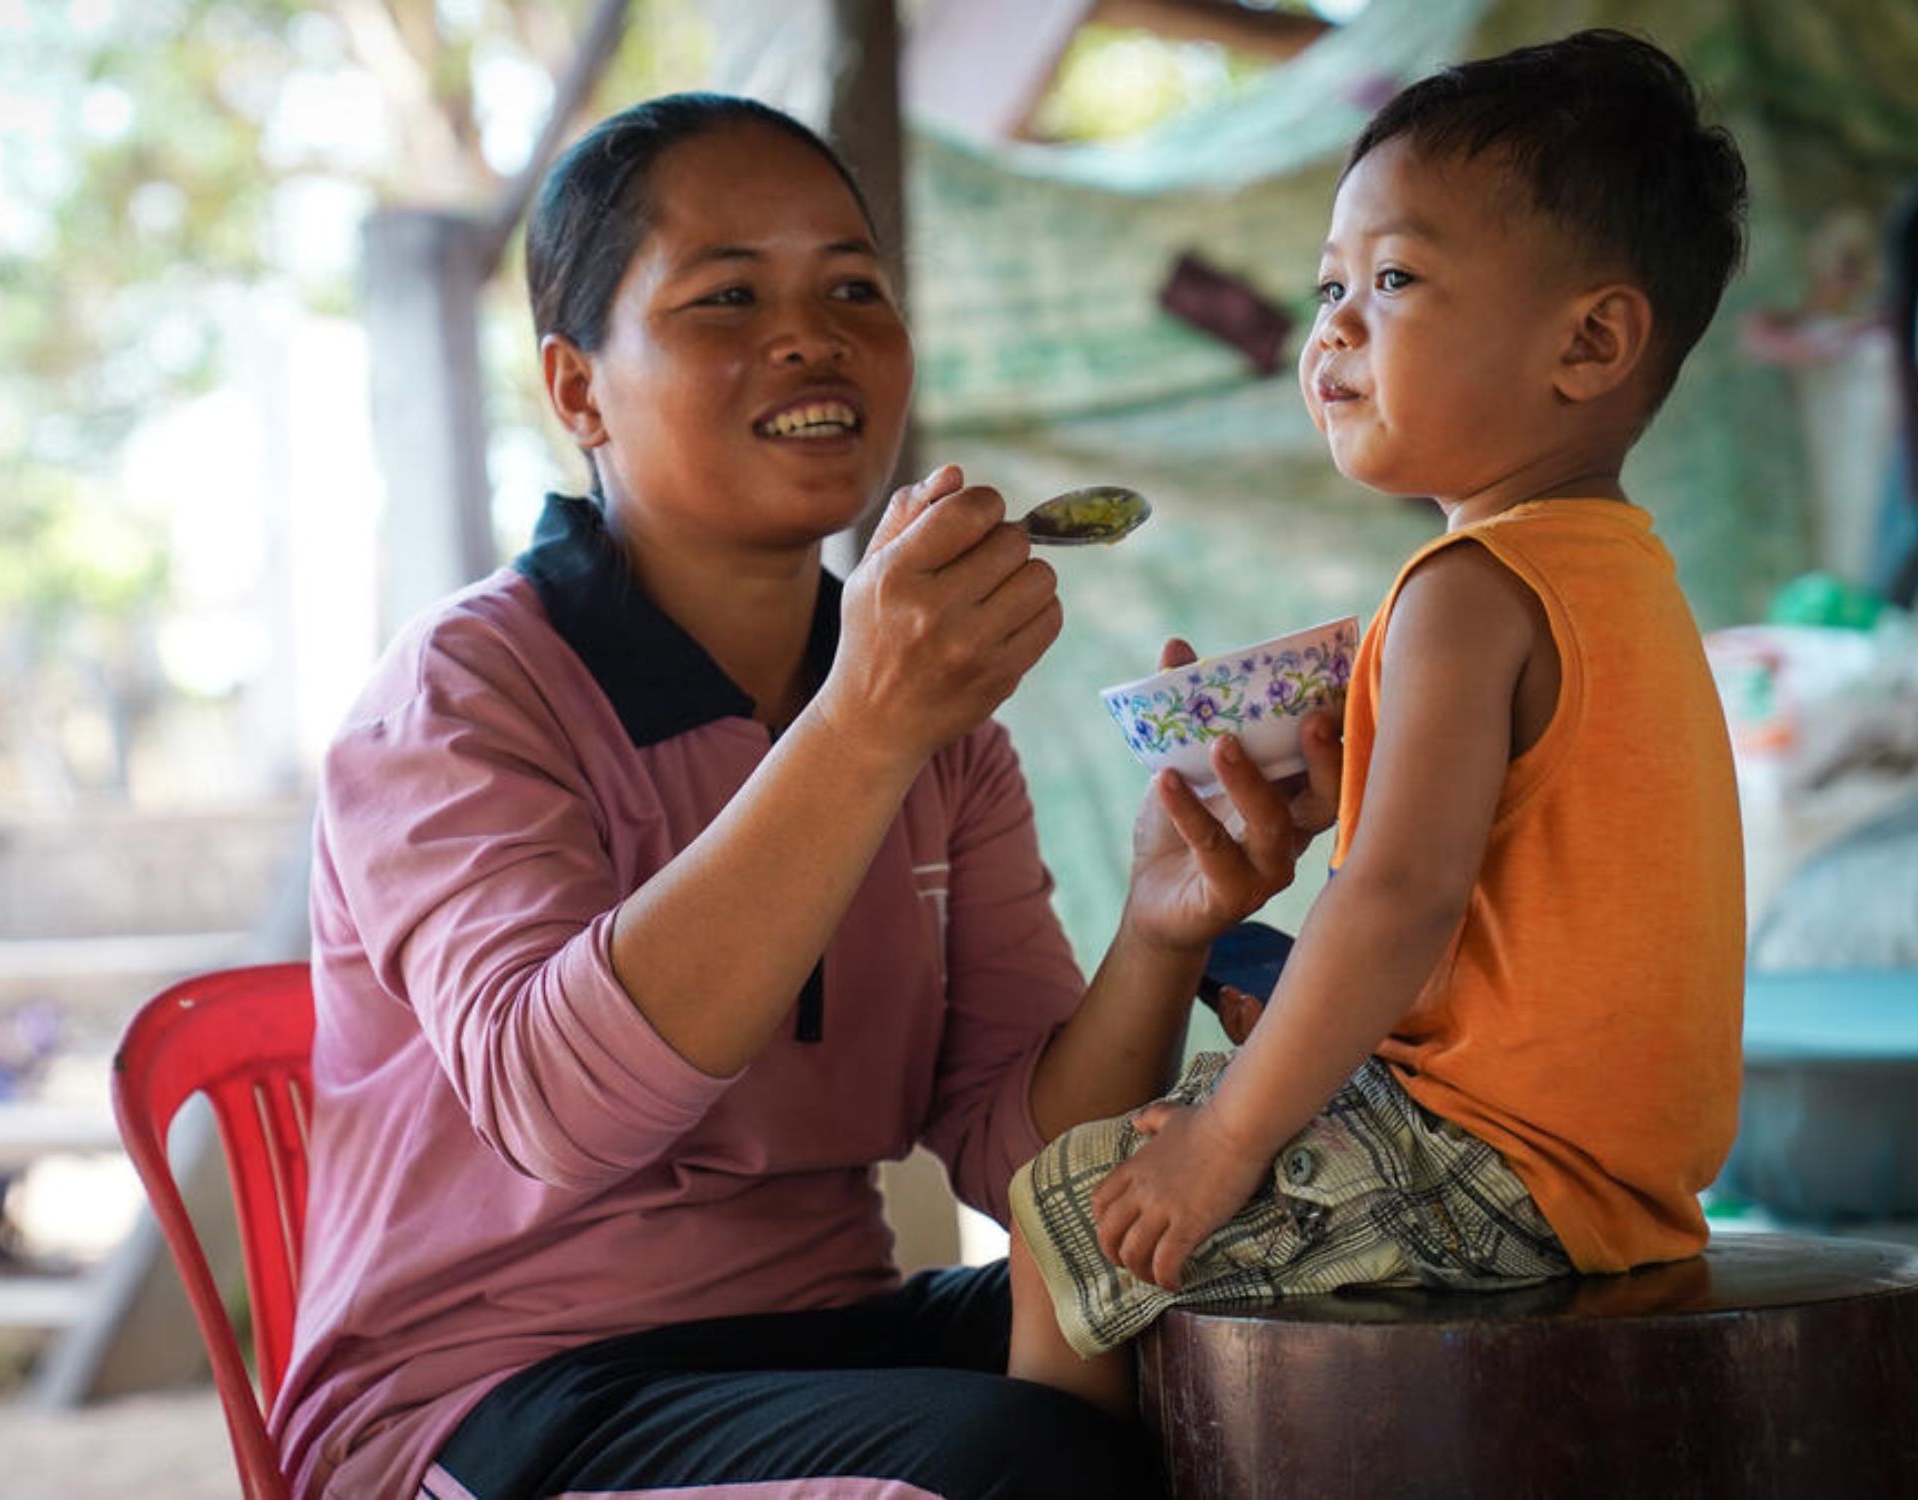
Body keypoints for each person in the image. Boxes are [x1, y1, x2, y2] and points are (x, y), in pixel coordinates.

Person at [270, 92, 1342, 1499]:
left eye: (854, 288)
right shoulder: (465, 697)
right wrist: (862, 730)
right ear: (577, 388)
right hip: (485, 1402)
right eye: (726, 297)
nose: (810, 334)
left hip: (818, 1340)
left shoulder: (930, 722)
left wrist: (1156, 928)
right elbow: (555, 1107)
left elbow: (1021, 1156)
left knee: (1266, 1340)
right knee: (1010, 1466)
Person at [1007, 29, 1751, 1414]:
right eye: (1328, 286)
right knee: (1238, 977)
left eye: (1394, 279)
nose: (1333, 327)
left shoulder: (1462, 587)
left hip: (1495, 1167)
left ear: (1589, 342)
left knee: (1070, 1206)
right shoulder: (1617, 572)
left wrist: (1224, 1140)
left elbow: (1397, 894)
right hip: (1612, 1170)